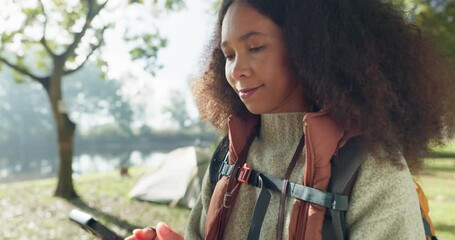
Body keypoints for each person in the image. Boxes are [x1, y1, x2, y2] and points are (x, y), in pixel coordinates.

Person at [126, 0, 455, 239]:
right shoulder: (228, 154)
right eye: (228, 55)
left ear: (310, 48)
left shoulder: (370, 165)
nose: (236, 70)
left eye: (255, 46)